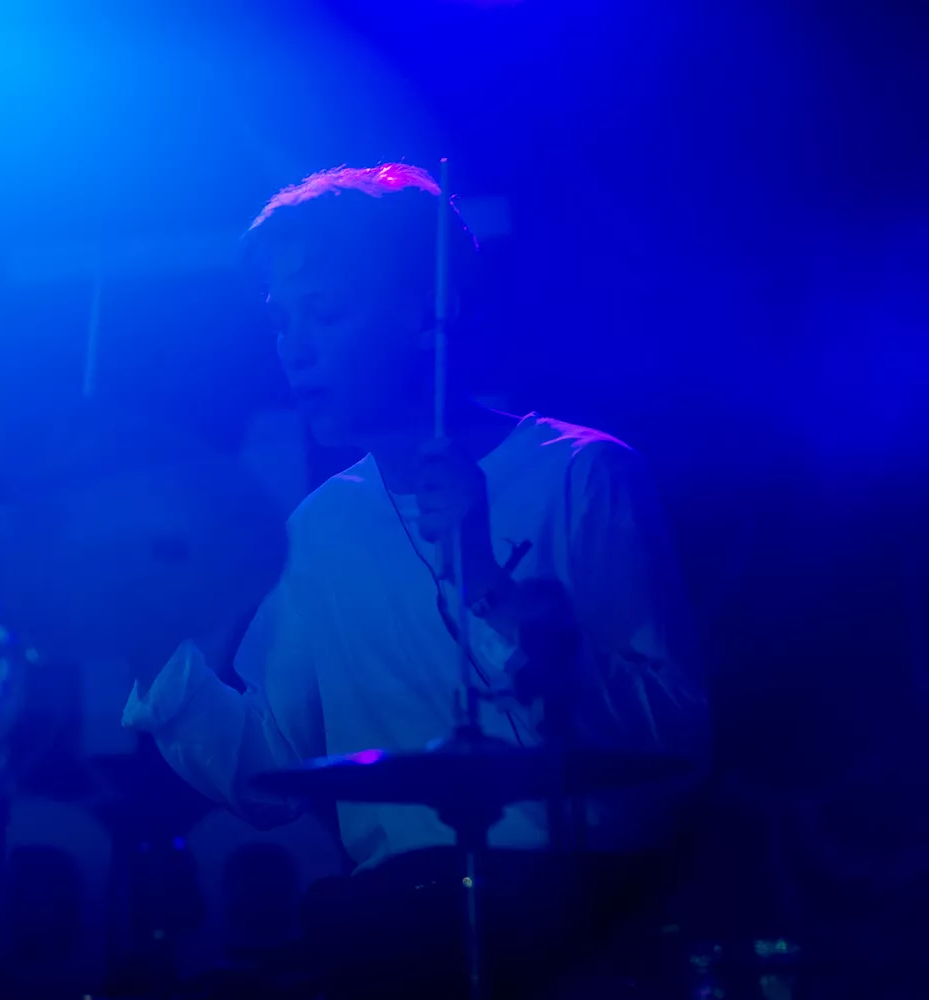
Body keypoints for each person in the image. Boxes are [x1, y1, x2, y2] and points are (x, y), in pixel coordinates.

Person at [120, 164, 709, 997]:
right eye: (282, 320)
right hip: (399, 936)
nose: (296, 347)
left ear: (430, 312)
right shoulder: (321, 526)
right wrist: (149, 640)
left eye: (326, 312)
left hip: (582, 925)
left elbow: (674, 738)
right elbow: (271, 774)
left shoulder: (581, 474)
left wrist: (486, 582)